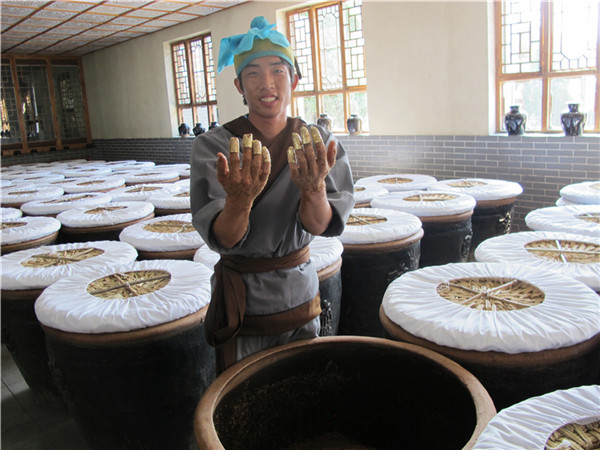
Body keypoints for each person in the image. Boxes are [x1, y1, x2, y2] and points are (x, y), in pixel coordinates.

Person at [190, 16, 354, 374]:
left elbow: (320, 224)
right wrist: (239, 201)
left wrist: (313, 191)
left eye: (278, 70)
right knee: (246, 394)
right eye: (253, 73)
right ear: (239, 85)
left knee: (302, 386)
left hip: (300, 294)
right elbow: (225, 237)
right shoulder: (215, 147)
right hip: (244, 302)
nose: (267, 83)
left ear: (294, 79)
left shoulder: (318, 143)